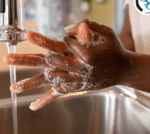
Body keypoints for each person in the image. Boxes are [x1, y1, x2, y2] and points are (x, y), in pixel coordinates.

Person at [3, 19, 150, 111]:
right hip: (139, 101)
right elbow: (130, 34)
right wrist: (102, 57)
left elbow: (125, 64)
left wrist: (126, 67)